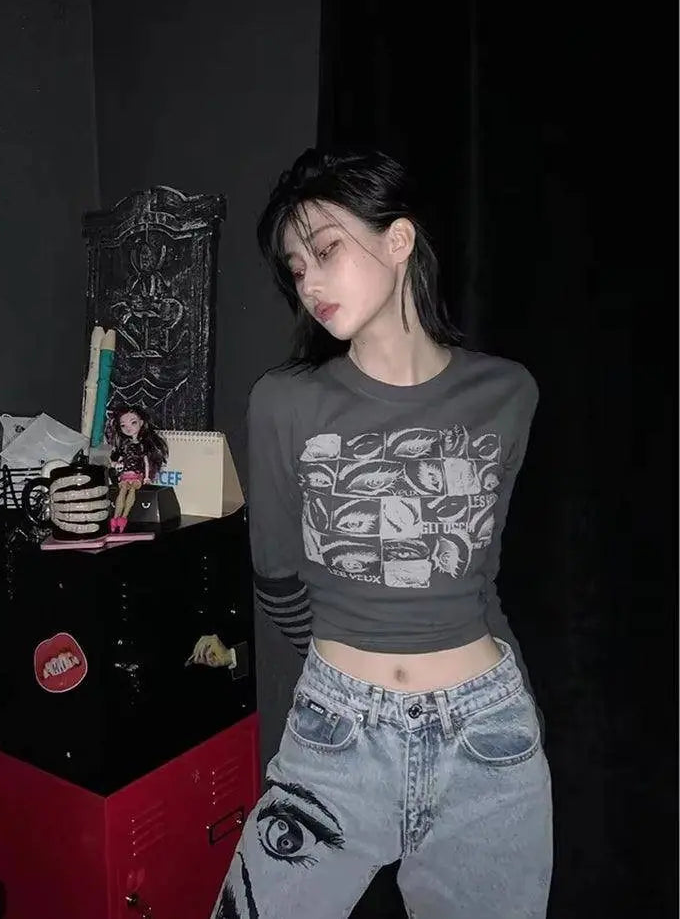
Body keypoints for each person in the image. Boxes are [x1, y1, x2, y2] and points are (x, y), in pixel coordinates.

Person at [211, 148, 552, 919]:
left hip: (488, 737)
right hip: (338, 735)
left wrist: (513, 707)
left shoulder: (506, 393)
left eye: (326, 250)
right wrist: (350, 680)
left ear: (398, 240)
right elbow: (275, 578)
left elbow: (481, 579)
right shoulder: (283, 403)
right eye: (297, 268)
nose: (309, 283)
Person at [106, 404, 168, 532]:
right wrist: (115, 464)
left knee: (132, 490)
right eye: (123, 425)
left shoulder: (142, 445)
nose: (128, 428)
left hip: (137, 474)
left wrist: (147, 477)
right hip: (125, 474)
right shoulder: (124, 445)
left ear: (141, 423)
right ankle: (115, 518)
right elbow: (119, 459)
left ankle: (124, 517)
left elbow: (146, 462)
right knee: (122, 491)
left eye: (133, 422)